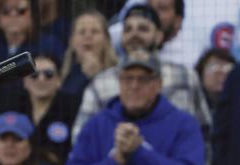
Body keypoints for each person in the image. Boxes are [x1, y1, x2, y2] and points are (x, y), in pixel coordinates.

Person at [65, 51, 205, 165]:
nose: (134, 86)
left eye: (143, 79)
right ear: (119, 82)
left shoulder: (182, 123)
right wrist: (114, 162)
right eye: (128, 78)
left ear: (158, 84)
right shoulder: (98, 124)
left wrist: (140, 153)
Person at [71, 5, 211, 145]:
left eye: (143, 29)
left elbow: (205, 131)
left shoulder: (185, 76)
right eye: (128, 29)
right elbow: (80, 138)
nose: (134, 35)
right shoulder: (102, 82)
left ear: (159, 36)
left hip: (173, 164)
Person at [59, 10, 117, 98]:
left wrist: (96, 76)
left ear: (106, 40)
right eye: (82, 32)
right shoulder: (59, 78)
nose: (88, 36)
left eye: (95, 31)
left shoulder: (119, 73)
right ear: (71, 41)